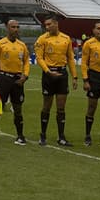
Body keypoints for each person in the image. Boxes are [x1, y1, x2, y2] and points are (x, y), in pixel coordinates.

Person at [34, 15, 78, 146]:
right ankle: (43, 135)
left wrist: (74, 76)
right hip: (49, 74)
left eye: (49, 25)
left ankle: (61, 136)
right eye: (45, 25)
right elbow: (39, 58)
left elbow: (70, 58)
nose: (46, 27)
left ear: (56, 24)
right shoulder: (42, 39)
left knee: (61, 108)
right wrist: (48, 72)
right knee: (47, 106)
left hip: (62, 74)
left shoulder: (66, 38)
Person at [0, 19, 30, 145]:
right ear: (7, 28)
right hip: (4, 79)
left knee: (18, 108)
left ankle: (20, 136)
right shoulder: (0, 44)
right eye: (13, 27)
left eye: (17, 27)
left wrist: (25, 76)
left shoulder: (22, 45)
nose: (16, 29)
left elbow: (27, 61)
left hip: (17, 80)